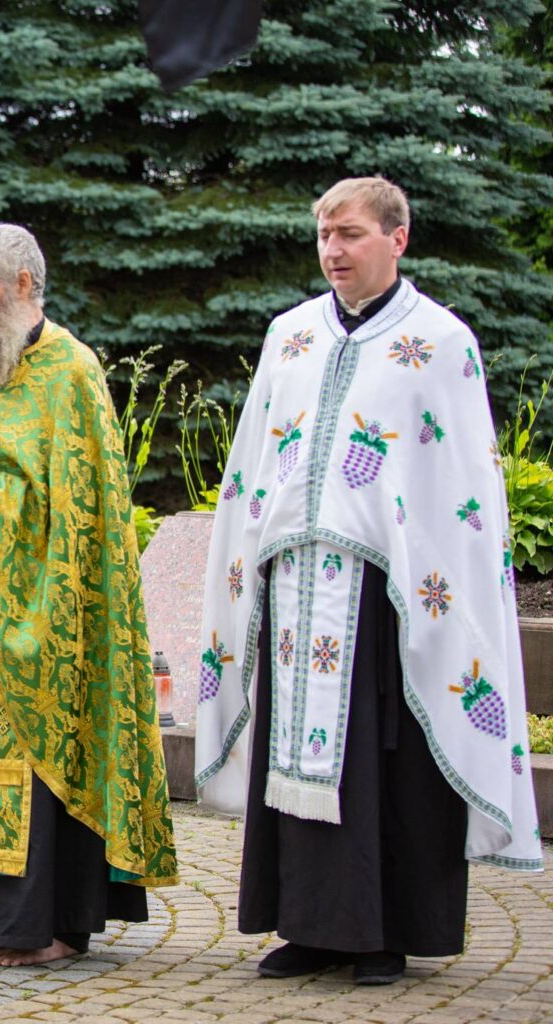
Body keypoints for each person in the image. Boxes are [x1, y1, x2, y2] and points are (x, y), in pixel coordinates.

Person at [196, 177, 543, 985]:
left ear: (399, 238)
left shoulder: (441, 340)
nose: (333, 250)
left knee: (389, 763)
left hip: (396, 595)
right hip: (295, 589)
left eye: (350, 234)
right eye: (323, 235)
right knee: (296, 754)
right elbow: (255, 459)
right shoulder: (290, 334)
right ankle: (308, 925)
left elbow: (459, 481)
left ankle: (383, 931)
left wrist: (419, 563)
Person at [0, 224, 178, 965]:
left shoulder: (70, 372)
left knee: (31, 758)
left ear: (23, 285)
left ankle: (48, 924)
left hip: (48, 613)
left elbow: (75, 505)